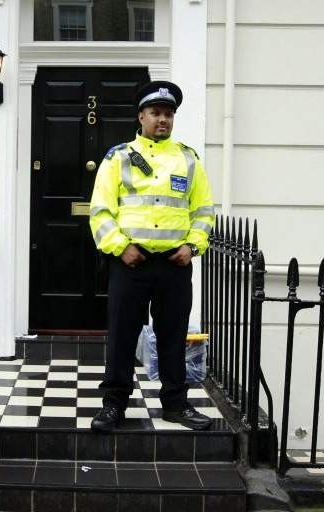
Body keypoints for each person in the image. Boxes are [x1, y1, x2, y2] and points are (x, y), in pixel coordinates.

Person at [88, 80, 215, 432]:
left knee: (173, 336)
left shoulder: (188, 159)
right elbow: (100, 211)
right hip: (131, 262)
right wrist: (120, 247)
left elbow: (204, 211)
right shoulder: (118, 157)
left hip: (175, 264)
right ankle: (114, 406)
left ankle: (176, 404)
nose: (163, 119)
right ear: (141, 116)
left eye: (168, 114)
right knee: (122, 336)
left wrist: (192, 247)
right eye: (156, 112)